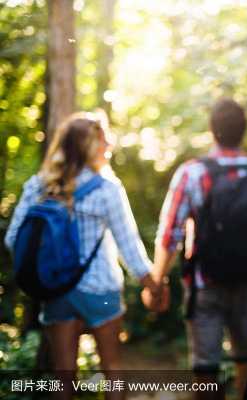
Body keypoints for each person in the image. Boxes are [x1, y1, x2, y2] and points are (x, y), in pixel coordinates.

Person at [4, 112, 163, 400]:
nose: (109, 145)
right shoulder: (107, 189)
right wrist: (154, 287)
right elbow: (130, 248)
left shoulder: (39, 186)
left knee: (63, 374)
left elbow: (12, 238)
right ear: (89, 146)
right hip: (100, 290)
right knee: (112, 369)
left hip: (56, 290)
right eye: (104, 140)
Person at [147, 98, 247, 400]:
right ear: (243, 131)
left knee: (205, 366)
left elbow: (170, 233)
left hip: (204, 283)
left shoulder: (192, 173)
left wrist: (156, 282)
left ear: (212, 130)